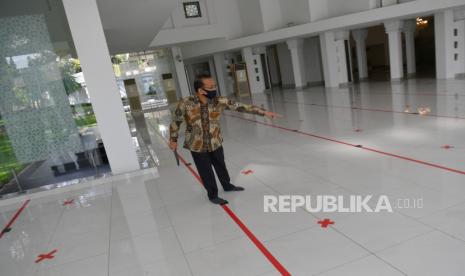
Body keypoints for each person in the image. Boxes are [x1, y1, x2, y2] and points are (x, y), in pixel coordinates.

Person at [169, 74, 280, 205]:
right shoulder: (186, 103)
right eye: (211, 87)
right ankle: (212, 195)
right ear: (200, 90)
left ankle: (227, 186)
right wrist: (173, 139)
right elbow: (175, 122)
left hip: (215, 141)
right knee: (206, 171)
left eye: (215, 86)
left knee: (221, 165)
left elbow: (241, 106)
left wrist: (264, 112)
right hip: (196, 144)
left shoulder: (219, 101)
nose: (214, 89)